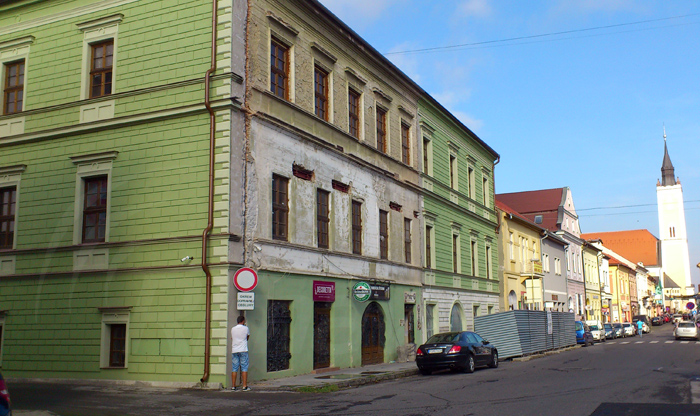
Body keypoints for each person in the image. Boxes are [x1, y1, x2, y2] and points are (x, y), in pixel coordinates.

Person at [231, 315, 250, 391]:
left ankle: (233, 386)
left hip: (234, 350)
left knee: (234, 368)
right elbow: (247, 337)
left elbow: (232, 338)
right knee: (244, 367)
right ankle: (244, 386)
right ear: (243, 321)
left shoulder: (233, 329)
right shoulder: (246, 328)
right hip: (243, 349)